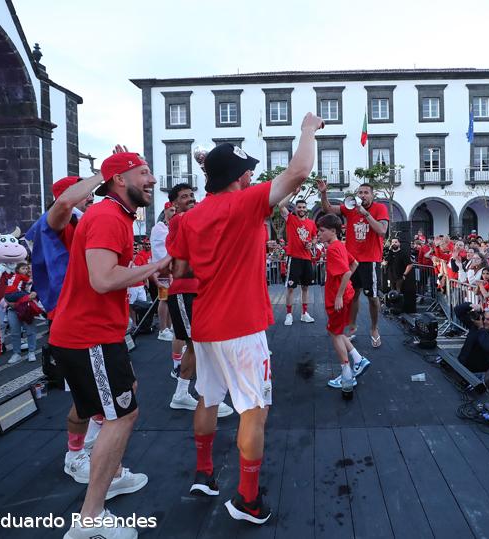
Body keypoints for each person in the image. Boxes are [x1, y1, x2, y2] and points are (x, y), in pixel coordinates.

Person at [170, 114, 323, 525]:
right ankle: (248, 501)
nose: (253, 174)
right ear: (238, 177)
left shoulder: (189, 217)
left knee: (207, 397)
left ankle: (204, 474)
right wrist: (308, 129)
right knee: (254, 409)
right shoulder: (244, 202)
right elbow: (299, 171)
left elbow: (181, 269)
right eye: (249, 170)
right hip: (242, 325)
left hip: (206, 323)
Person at [54, 150, 172, 539]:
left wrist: (145, 272)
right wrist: (155, 266)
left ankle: (111, 473)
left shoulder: (115, 214)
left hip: (94, 334)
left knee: (124, 398)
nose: (152, 179)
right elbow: (103, 279)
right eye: (144, 172)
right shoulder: (107, 216)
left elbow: (106, 274)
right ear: (120, 180)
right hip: (89, 336)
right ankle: (90, 518)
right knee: (122, 416)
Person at [25, 172, 106, 488]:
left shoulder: (80, 220)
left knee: (105, 390)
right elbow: (64, 204)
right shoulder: (57, 221)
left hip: (86, 315)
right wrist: (103, 174)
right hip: (70, 318)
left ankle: (91, 442)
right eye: (85, 191)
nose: (91, 195)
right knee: (85, 395)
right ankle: (75, 456)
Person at [164, 182, 234, 418]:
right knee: (199, 345)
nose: (191, 199)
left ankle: (185, 394)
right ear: (174, 204)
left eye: (191, 195)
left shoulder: (190, 219)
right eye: (184, 196)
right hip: (183, 291)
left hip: (195, 290)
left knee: (199, 345)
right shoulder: (179, 220)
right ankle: (203, 396)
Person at [317, 180, 389, 348]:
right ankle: (352, 327)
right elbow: (328, 209)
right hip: (352, 259)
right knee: (352, 295)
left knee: (372, 297)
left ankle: (374, 329)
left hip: (371, 259)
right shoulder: (350, 208)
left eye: (366, 192)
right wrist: (324, 193)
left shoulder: (380, 208)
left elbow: (382, 230)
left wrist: (365, 214)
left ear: (372, 195)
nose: (362, 195)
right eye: (360, 193)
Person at [317, 214, 370, 396]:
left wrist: (339, 295)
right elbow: (354, 263)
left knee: (335, 333)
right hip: (345, 294)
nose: (319, 233)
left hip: (337, 297)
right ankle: (358, 359)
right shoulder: (339, 245)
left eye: (322, 230)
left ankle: (347, 374)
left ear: (333, 231)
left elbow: (347, 272)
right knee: (337, 331)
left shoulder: (333, 249)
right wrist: (344, 289)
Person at [279, 196, 317, 325]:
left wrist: (312, 244)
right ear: (295, 209)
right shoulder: (291, 219)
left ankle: (304, 313)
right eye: (299, 207)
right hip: (294, 258)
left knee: (305, 287)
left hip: (307, 259)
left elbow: (314, 237)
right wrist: (292, 192)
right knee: (291, 288)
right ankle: (289, 314)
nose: (301, 209)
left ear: (307, 209)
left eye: (303, 207)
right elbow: (280, 205)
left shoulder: (311, 223)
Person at [4, 262, 40, 364]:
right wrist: (9, 303)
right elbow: (6, 294)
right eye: (25, 268)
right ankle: (16, 353)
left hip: (27, 309)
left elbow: (37, 295)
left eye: (28, 268)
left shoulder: (36, 281)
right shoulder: (15, 278)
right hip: (13, 309)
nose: (27, 270)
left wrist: (34, 294)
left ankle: (31, 351)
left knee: (30, 331)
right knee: (15, 332)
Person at [453, 303, 489, 373]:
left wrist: (481, 328)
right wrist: (470, 305)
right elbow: (457, 310)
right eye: (483, 318)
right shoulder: (475, 325)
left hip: (484, 372)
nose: (484, 321)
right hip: (464, 366)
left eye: (488, 319)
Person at [150, 201, 176, 341]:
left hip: (172, 269)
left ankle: (170, 327)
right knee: (164, 298)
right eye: (171, 210)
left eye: (174, 210)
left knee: (171, 299)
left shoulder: (171, 226)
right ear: (165, 211)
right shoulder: (159, 228)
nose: (173, 213)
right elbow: (158, 249)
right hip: (163, 269)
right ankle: (162, 329)